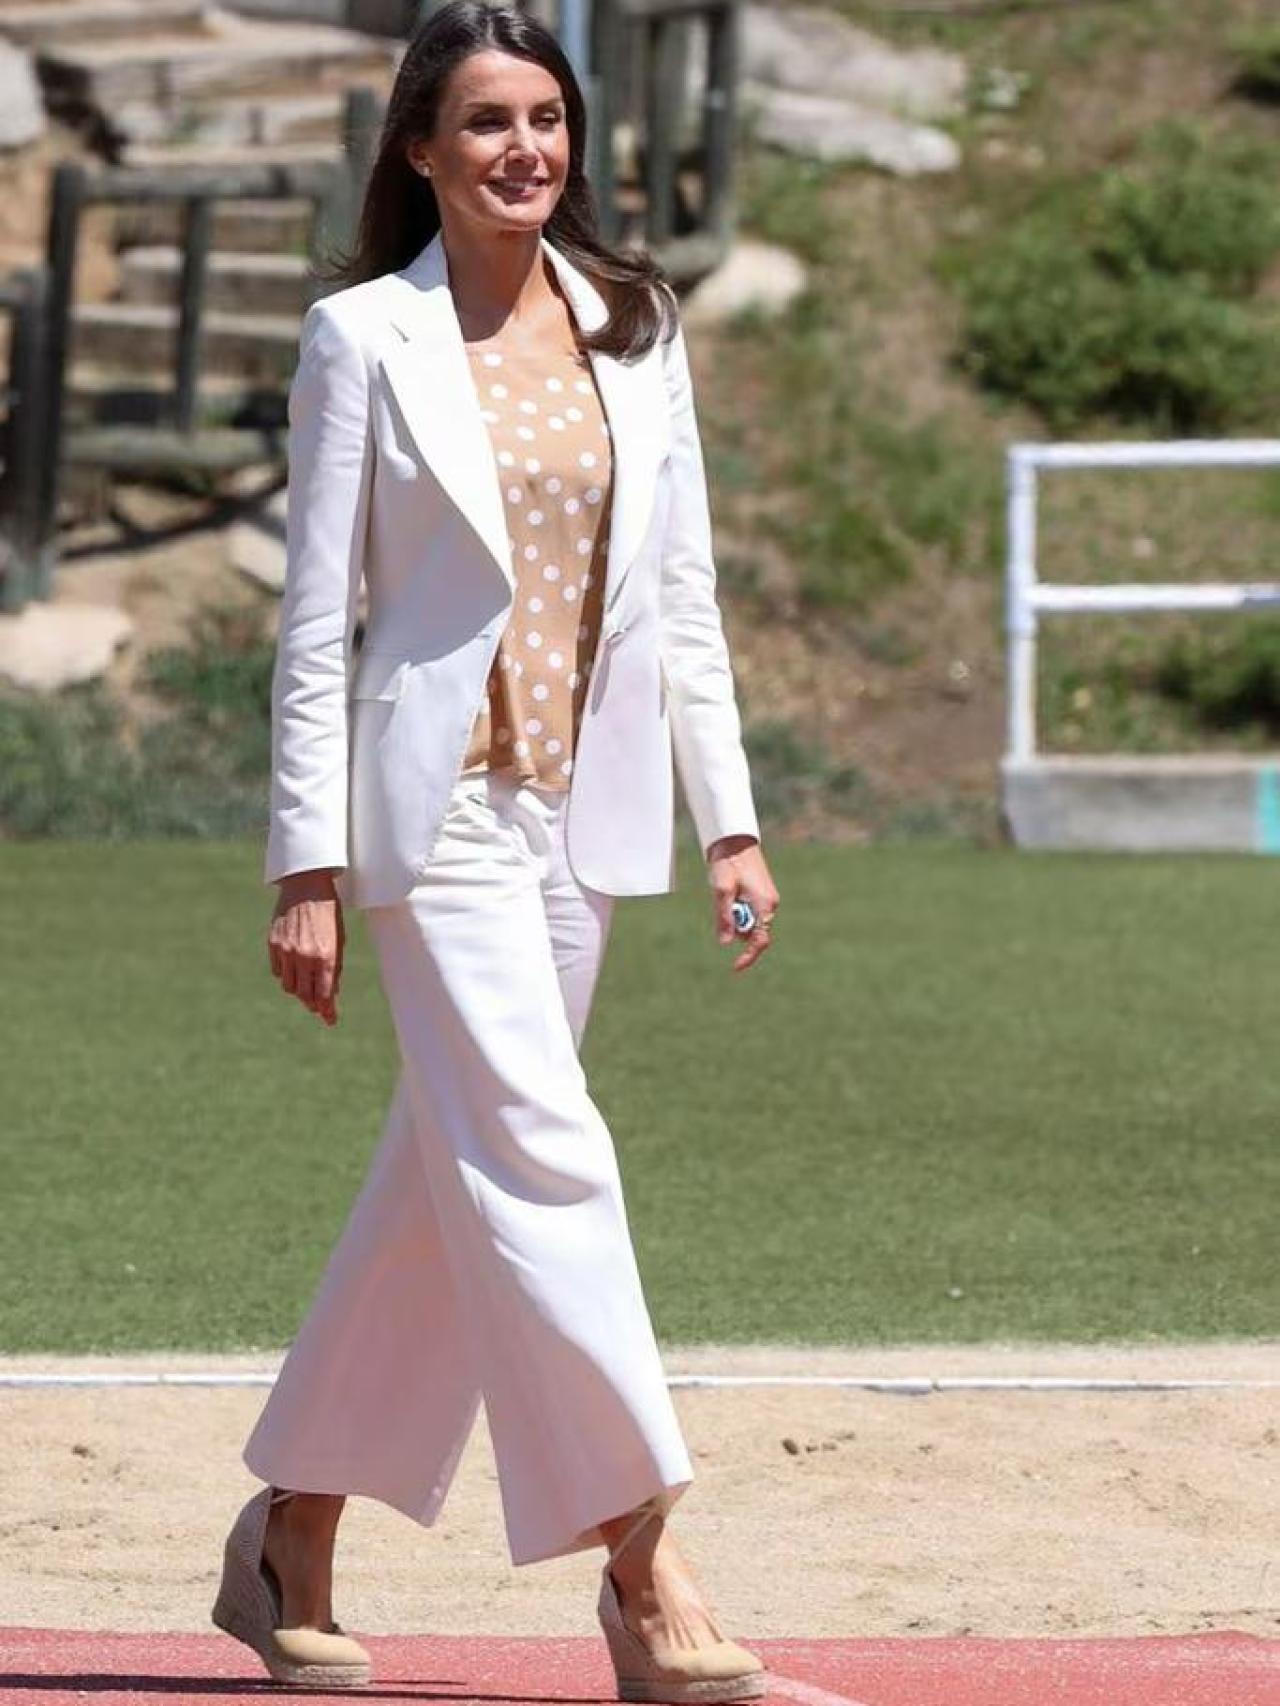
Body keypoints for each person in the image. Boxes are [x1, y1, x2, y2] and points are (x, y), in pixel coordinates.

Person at [211, 2, 780, 1698]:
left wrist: (730, 814)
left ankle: (290, 1527)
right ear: (420, 150)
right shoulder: (358, 339)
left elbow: (678, 592)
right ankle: (643, 1552)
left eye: (546, 117)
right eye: (485, 122)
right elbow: (319, 625)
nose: (525, 147)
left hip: (580, 812)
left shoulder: (636, 323)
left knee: (447, 1174)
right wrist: (301, 863)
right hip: (431, 808)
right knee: (542, 1147)